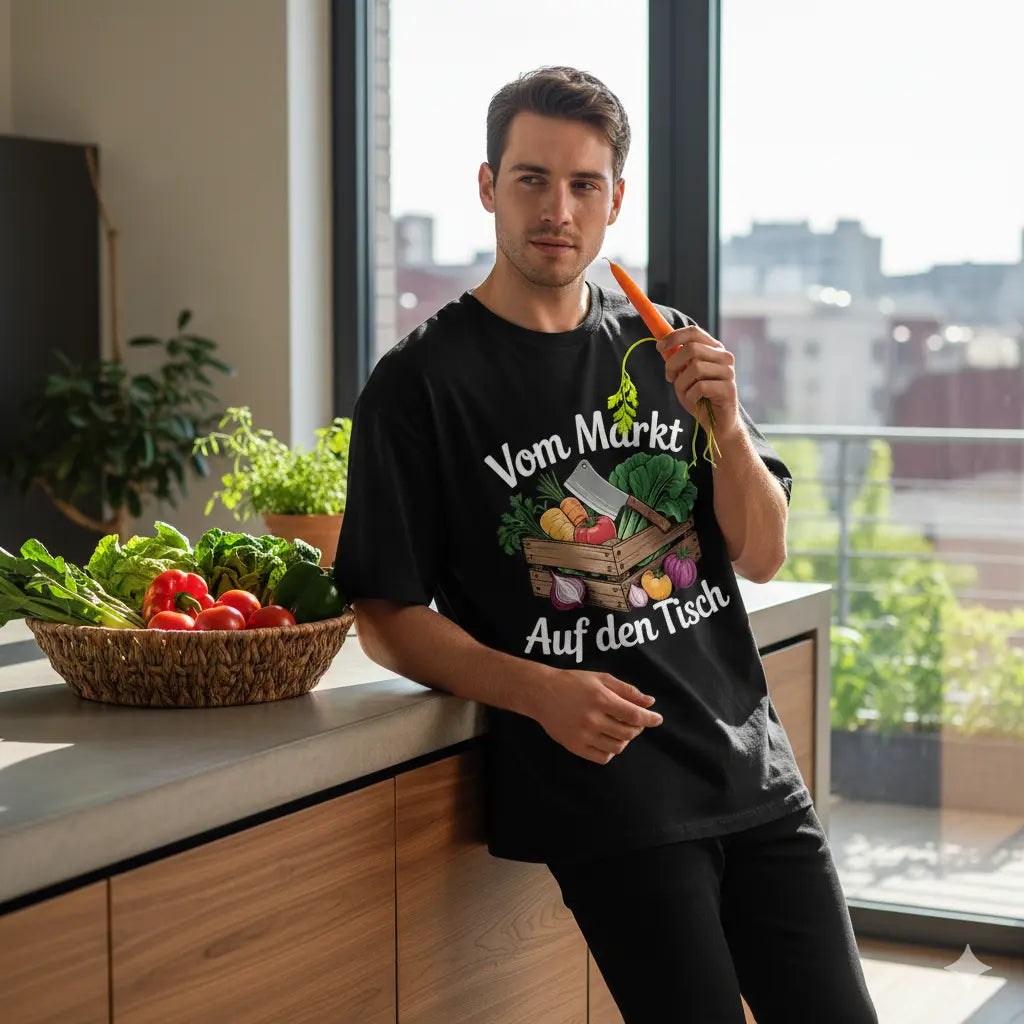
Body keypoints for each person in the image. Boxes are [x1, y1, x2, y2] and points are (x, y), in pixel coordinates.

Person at [334, 65, 878, 1024]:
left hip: (749, 764)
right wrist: (537, 691)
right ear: (487, 186)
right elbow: (386, 616)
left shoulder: (663, 347)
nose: (558, 209)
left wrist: (730, 426)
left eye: (584, 185)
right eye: (532, 178)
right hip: (609, 796)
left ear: (615, 199)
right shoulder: (419, 385)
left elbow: (762, 554)